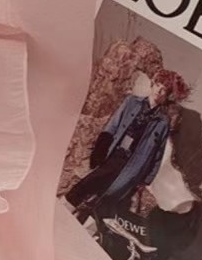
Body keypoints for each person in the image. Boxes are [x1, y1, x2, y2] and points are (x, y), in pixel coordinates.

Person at [63, 68, 191, 224]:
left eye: (164, 90)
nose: (159, 91)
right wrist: (100, 149)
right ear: (153, 84)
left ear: (167, 95)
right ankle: (63, 209)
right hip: (115, 154)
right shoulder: (131, 102)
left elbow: (157, 155)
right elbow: (113, 124)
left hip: (133, 167)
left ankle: (83, 224)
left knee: (108, 196)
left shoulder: (163, 123)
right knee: (90, 182)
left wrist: (146, 180)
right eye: (158, 85)